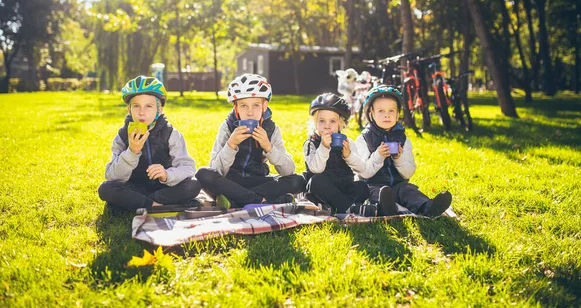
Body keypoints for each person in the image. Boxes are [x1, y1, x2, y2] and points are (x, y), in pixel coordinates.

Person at [195, 73, 305, 208]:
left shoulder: (271, 129)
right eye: (243, 106)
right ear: (235, 108)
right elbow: (216, 169)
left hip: (259, 181)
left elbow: (288, 171)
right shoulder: (227, 127)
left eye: (256, 105)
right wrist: (231, 145)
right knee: (203, 174)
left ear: (264, 106)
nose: (250, 112)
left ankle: (237, 200)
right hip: (231, 181)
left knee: (298, 181)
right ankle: (262, 201)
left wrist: (268, 147)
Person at [98, 76, 201, 211]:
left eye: (149, 106)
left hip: (164, 188)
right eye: (136, 106)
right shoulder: (122, 136)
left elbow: (187, 168)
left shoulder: (171, 133)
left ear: (160, 110)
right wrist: (132, 152)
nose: (142, 112)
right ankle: (157, 206)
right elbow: (113, 176)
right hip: (135, 187)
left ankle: (142, 204)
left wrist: (166, 174)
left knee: (194, 185)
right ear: (129, 110)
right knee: (105, 188)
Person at [356, 85, 452, 217]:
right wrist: (378, 155)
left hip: (398, 184)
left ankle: (428, 207)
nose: (387, 115)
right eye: (381, 111)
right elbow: (364, 172)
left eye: (391, 111)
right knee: (378, 193)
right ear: (371, 113)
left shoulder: (402, 138)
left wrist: (398, 158)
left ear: (398, 114)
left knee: (409, 191)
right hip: (372, 185)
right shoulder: (364, 139)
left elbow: (408, 173)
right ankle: (386, 208)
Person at [303, 93, 392, 216]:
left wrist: (348, 156)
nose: (327, 126)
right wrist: (324, 147)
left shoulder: (347, 143)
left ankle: (341, 206)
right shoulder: (311, 143)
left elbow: (362, 169)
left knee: (362, 187)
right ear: (315, 123)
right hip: (323, 190)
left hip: (343, 187)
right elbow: (316, 168)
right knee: (316, 181)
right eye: (322, 121)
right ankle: (351, 208)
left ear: (340, 124)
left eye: (332, 121)